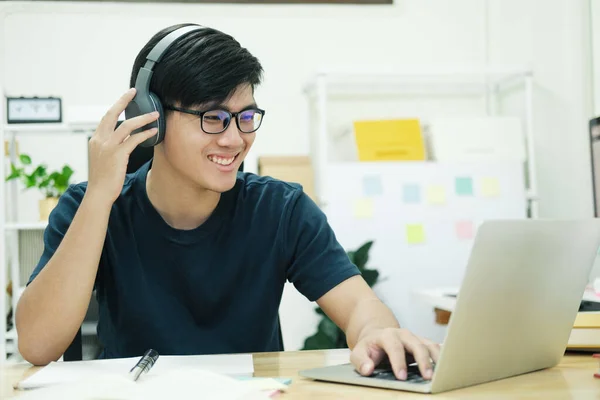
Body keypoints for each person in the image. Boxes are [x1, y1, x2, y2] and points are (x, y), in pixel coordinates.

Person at [15, 23, 440, 381]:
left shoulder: (280, 209)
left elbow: (361, 306)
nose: (235, 139)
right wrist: (100, 197)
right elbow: (38, 345)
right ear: (153, 118)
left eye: (246, 117)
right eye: (213, 117)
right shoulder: (90, 207)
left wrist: (376, 333)